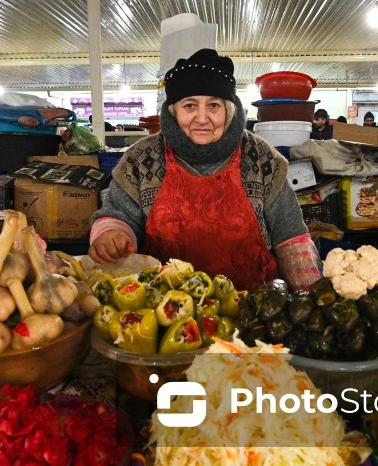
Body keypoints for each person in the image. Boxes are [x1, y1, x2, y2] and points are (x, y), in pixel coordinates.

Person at [88, 48, 320, 292]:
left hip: (253, 310)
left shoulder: (262, 159)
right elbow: (117, 216)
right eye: (189, 106)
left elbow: (291, 238)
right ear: (173, 111)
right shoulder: (140, 159)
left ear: (229, 111)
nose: (201, 118)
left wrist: (311, 299)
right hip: (163, 309)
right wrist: (111, 234)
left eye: (213, 105)